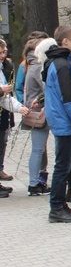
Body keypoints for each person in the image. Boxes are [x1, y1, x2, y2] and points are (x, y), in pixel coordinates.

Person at [43, 26, 71, 222]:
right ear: (65, 42)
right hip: (64, 122)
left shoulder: (58, 62)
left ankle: (60, 204)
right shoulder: (62, 64)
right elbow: (69, 99)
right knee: (63, 166)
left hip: (61, 121)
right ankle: (56, 207)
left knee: (64, 164)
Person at [24, 37, 54, 196]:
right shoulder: (37, 67)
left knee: (39, 149)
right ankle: (33, 183)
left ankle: (36, 182)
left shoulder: (31, 66)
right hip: (39, 113)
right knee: (37, 149)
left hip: (37, 111)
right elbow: (47, 88)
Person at [0, 40, 16, 183]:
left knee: (3, 142)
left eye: (4, 52)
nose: (3, 55)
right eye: (0, 52)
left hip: (4, 110)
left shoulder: (5, 66)